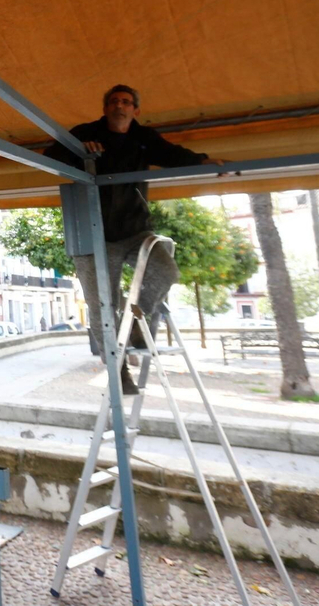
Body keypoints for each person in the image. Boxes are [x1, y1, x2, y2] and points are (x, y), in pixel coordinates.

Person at [46, 84, 214, 395]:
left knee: (166, 271)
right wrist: (81, 151)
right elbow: (52, 156)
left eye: (126, 102)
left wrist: (204, 163)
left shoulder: (144, 140)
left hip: (135, 229)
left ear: (135, 110)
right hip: (92, 232)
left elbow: (173, 155)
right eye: (113, 101)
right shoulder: (84, 132)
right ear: (105, 107)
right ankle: (118, 371)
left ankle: (137, 322)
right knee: (101, 307)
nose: (119, 106)